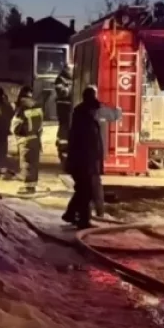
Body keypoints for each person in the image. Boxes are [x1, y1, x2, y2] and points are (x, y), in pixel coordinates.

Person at [62, 86, 105, 229]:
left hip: (84, 162)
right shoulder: (85, 119)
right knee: (86, 192)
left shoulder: (82, 115)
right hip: (84, 163)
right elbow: (88, 145)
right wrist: (93, 165)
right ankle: (83, 221)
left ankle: (70, 214)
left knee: (82, 190)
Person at [11, 86, 44, 194]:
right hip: (36, 138)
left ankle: (28, 189)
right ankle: (32, 186)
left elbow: (15, 127)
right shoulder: (38, 107)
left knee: (26, 163)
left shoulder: (22, 109)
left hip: (26, 140)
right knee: (34, 163)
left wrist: (16, 133)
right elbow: (41, 124)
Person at [53, 63, 73, 162]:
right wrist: (72, 88)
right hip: (63, 106)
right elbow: (63, 92)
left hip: (70, 106)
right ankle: (62, 150)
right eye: (70, 69)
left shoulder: (73, 79)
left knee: (68, 127)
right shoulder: (60, 79)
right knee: (64, 127)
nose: (72, 71)